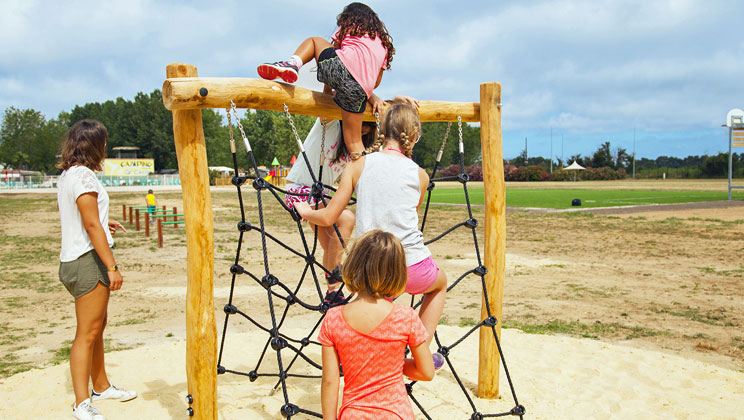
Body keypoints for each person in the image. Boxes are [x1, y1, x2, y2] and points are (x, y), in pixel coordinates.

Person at [296, 103, 448, 371]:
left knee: (376, 299)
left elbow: (329, 217)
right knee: (440, 284)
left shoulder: (358, 165)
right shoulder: (420, 175)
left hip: (367, 269)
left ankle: (358, 356)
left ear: (380, 131)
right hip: (411, 266)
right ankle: (420, 354)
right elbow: (411, 213)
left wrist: (307, 211)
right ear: (413, 137)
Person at [56, 120, 137, 420]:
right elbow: (90, 225)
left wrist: (105, 222)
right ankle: (81, 402)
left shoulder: (68, 174)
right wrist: (112, 266)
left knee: (97, 326)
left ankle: (101, 386)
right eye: (103, 142)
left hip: (74, 259)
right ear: (94, 145)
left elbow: (86, 218)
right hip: (87, 260)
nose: (105, 146)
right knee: (87, 333)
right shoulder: (84, 176)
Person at [318, 230, 434, 420]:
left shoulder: (333, 318)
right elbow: (427, 372)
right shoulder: (406, 317)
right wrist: (392, 365)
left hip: (353, 414)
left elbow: (330, 381)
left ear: (353, 266)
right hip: (397, 414)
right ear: (397, 273)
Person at [257, 2, 394, 159]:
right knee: (355, 144)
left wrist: (327, 92)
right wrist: (366, 91)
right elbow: (376, 82)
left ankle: (293, 64)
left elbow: (336, 51)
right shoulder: (384, 45)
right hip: (359, 90)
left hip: (339, 67)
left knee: (315, 41)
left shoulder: (352, 25)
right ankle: (364, 172)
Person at [284, 118, 377, 304]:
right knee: (346, 218)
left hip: (320, 194)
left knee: (331, 248)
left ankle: (332, 293)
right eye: (360, 125)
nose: (362, 131)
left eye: (366, 129)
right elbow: (331, 99)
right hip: (300, 191)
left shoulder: (355, 147)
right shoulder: (329, 124)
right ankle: (337, 272)